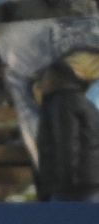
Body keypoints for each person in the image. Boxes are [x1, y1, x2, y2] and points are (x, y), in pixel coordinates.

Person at [37, 60, 99, 201]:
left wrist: (65, 182)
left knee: (59, 222)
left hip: (74, 187)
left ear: (54, 79)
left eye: (44, 78)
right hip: (91, 180)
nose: (41, 84)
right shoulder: (83, 101)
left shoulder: (62, 103)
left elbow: (67, 143)